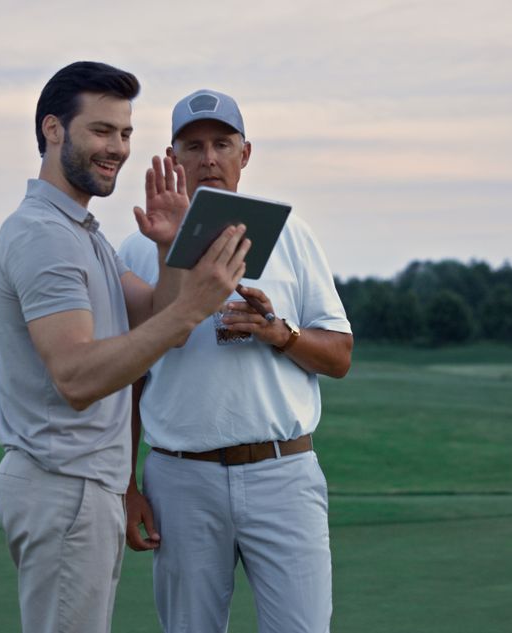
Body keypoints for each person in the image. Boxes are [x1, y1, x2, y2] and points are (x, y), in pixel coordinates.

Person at [0, 64, 251, 633]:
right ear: (53, 130)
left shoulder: (81, 234)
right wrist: (193, 306)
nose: (119, 148)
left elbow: (153, 315)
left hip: (81, 486)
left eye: (126, 133)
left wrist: (172, 250)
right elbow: (76, 377)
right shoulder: (45, 236)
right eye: (102, 130)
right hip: (63, 482)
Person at [117, 89, 353, 633]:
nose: (209, 158)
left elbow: (340, 355)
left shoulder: (292, 236)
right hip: (180, 479)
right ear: (173, 158)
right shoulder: (138, 248)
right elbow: (127, 378)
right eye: (193, 146)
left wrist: (280, 334)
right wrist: (126, 487)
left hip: (283, 472)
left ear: (245, 154)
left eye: (222, 144)